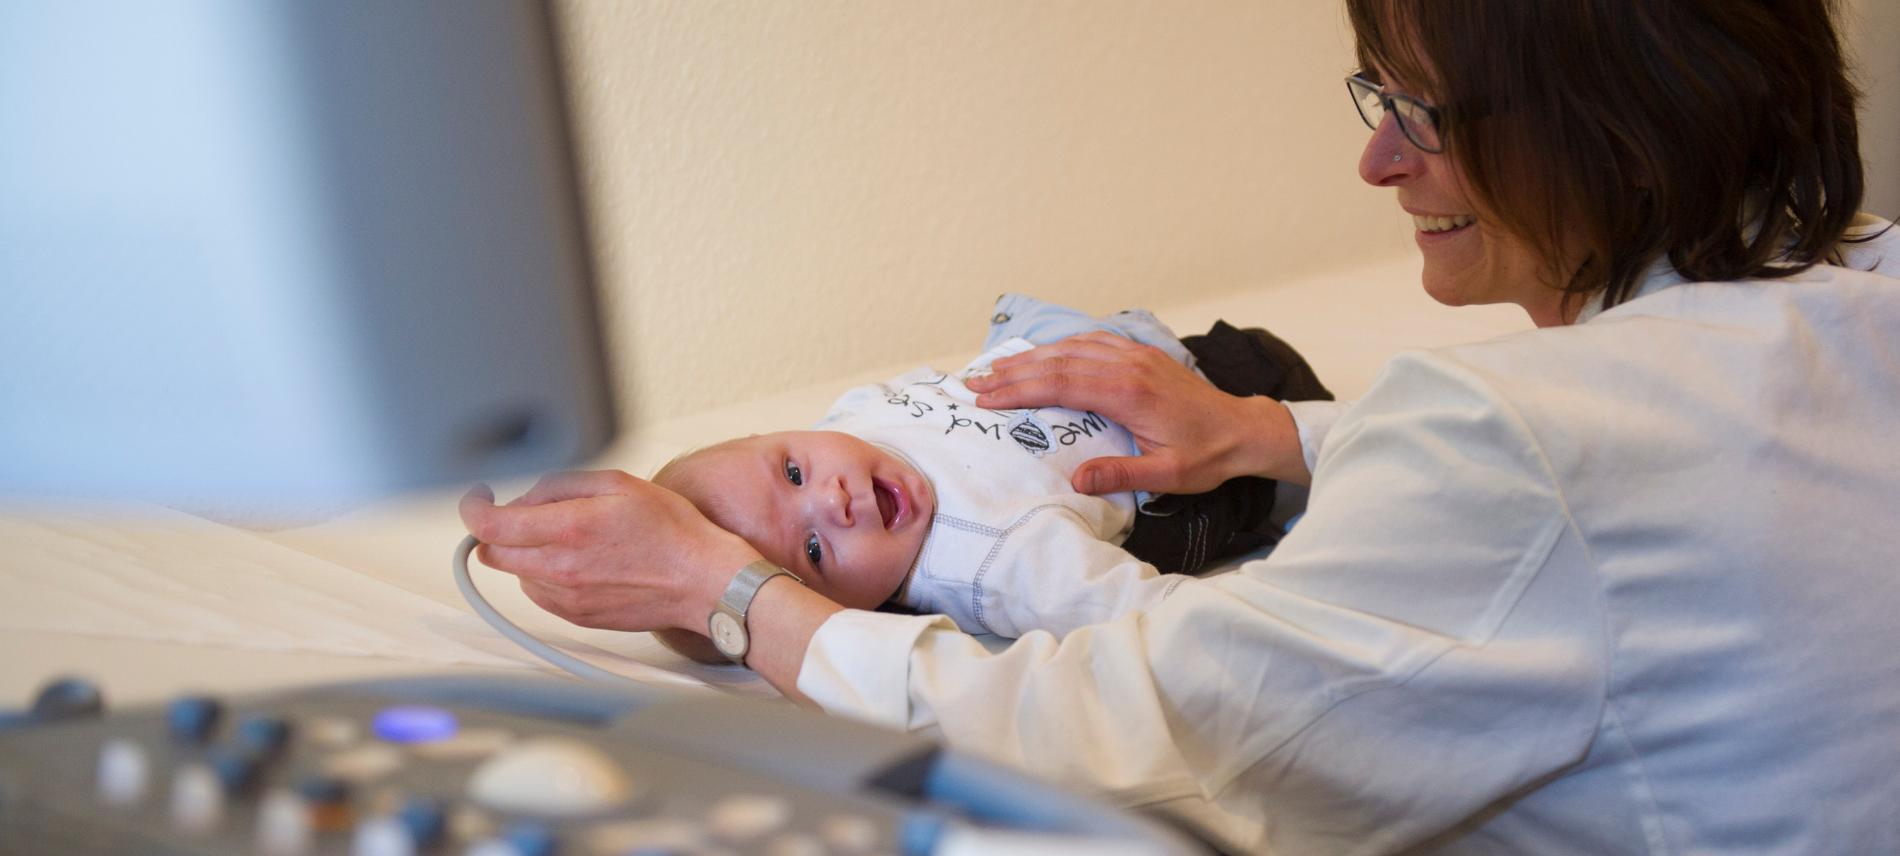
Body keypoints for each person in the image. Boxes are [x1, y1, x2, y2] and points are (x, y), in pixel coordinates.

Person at [460, 0, 1900, 851]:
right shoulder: (1865, 281)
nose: (1375, 158)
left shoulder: (1509, 443)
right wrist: (1268, 435)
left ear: (1613, 130)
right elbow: (1605, 492)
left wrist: (729, 593)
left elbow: (1117, 727)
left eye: (1420, 112)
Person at [642, 294, 1329, 662]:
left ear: (775, 434)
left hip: (1121, 348)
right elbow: (1148, 617)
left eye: (792, 471)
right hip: (1241, 408)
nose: (834, 499)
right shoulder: (987, 558)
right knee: (1325, 485)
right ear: (846, 612)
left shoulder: (852, 417)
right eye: (815, 551)